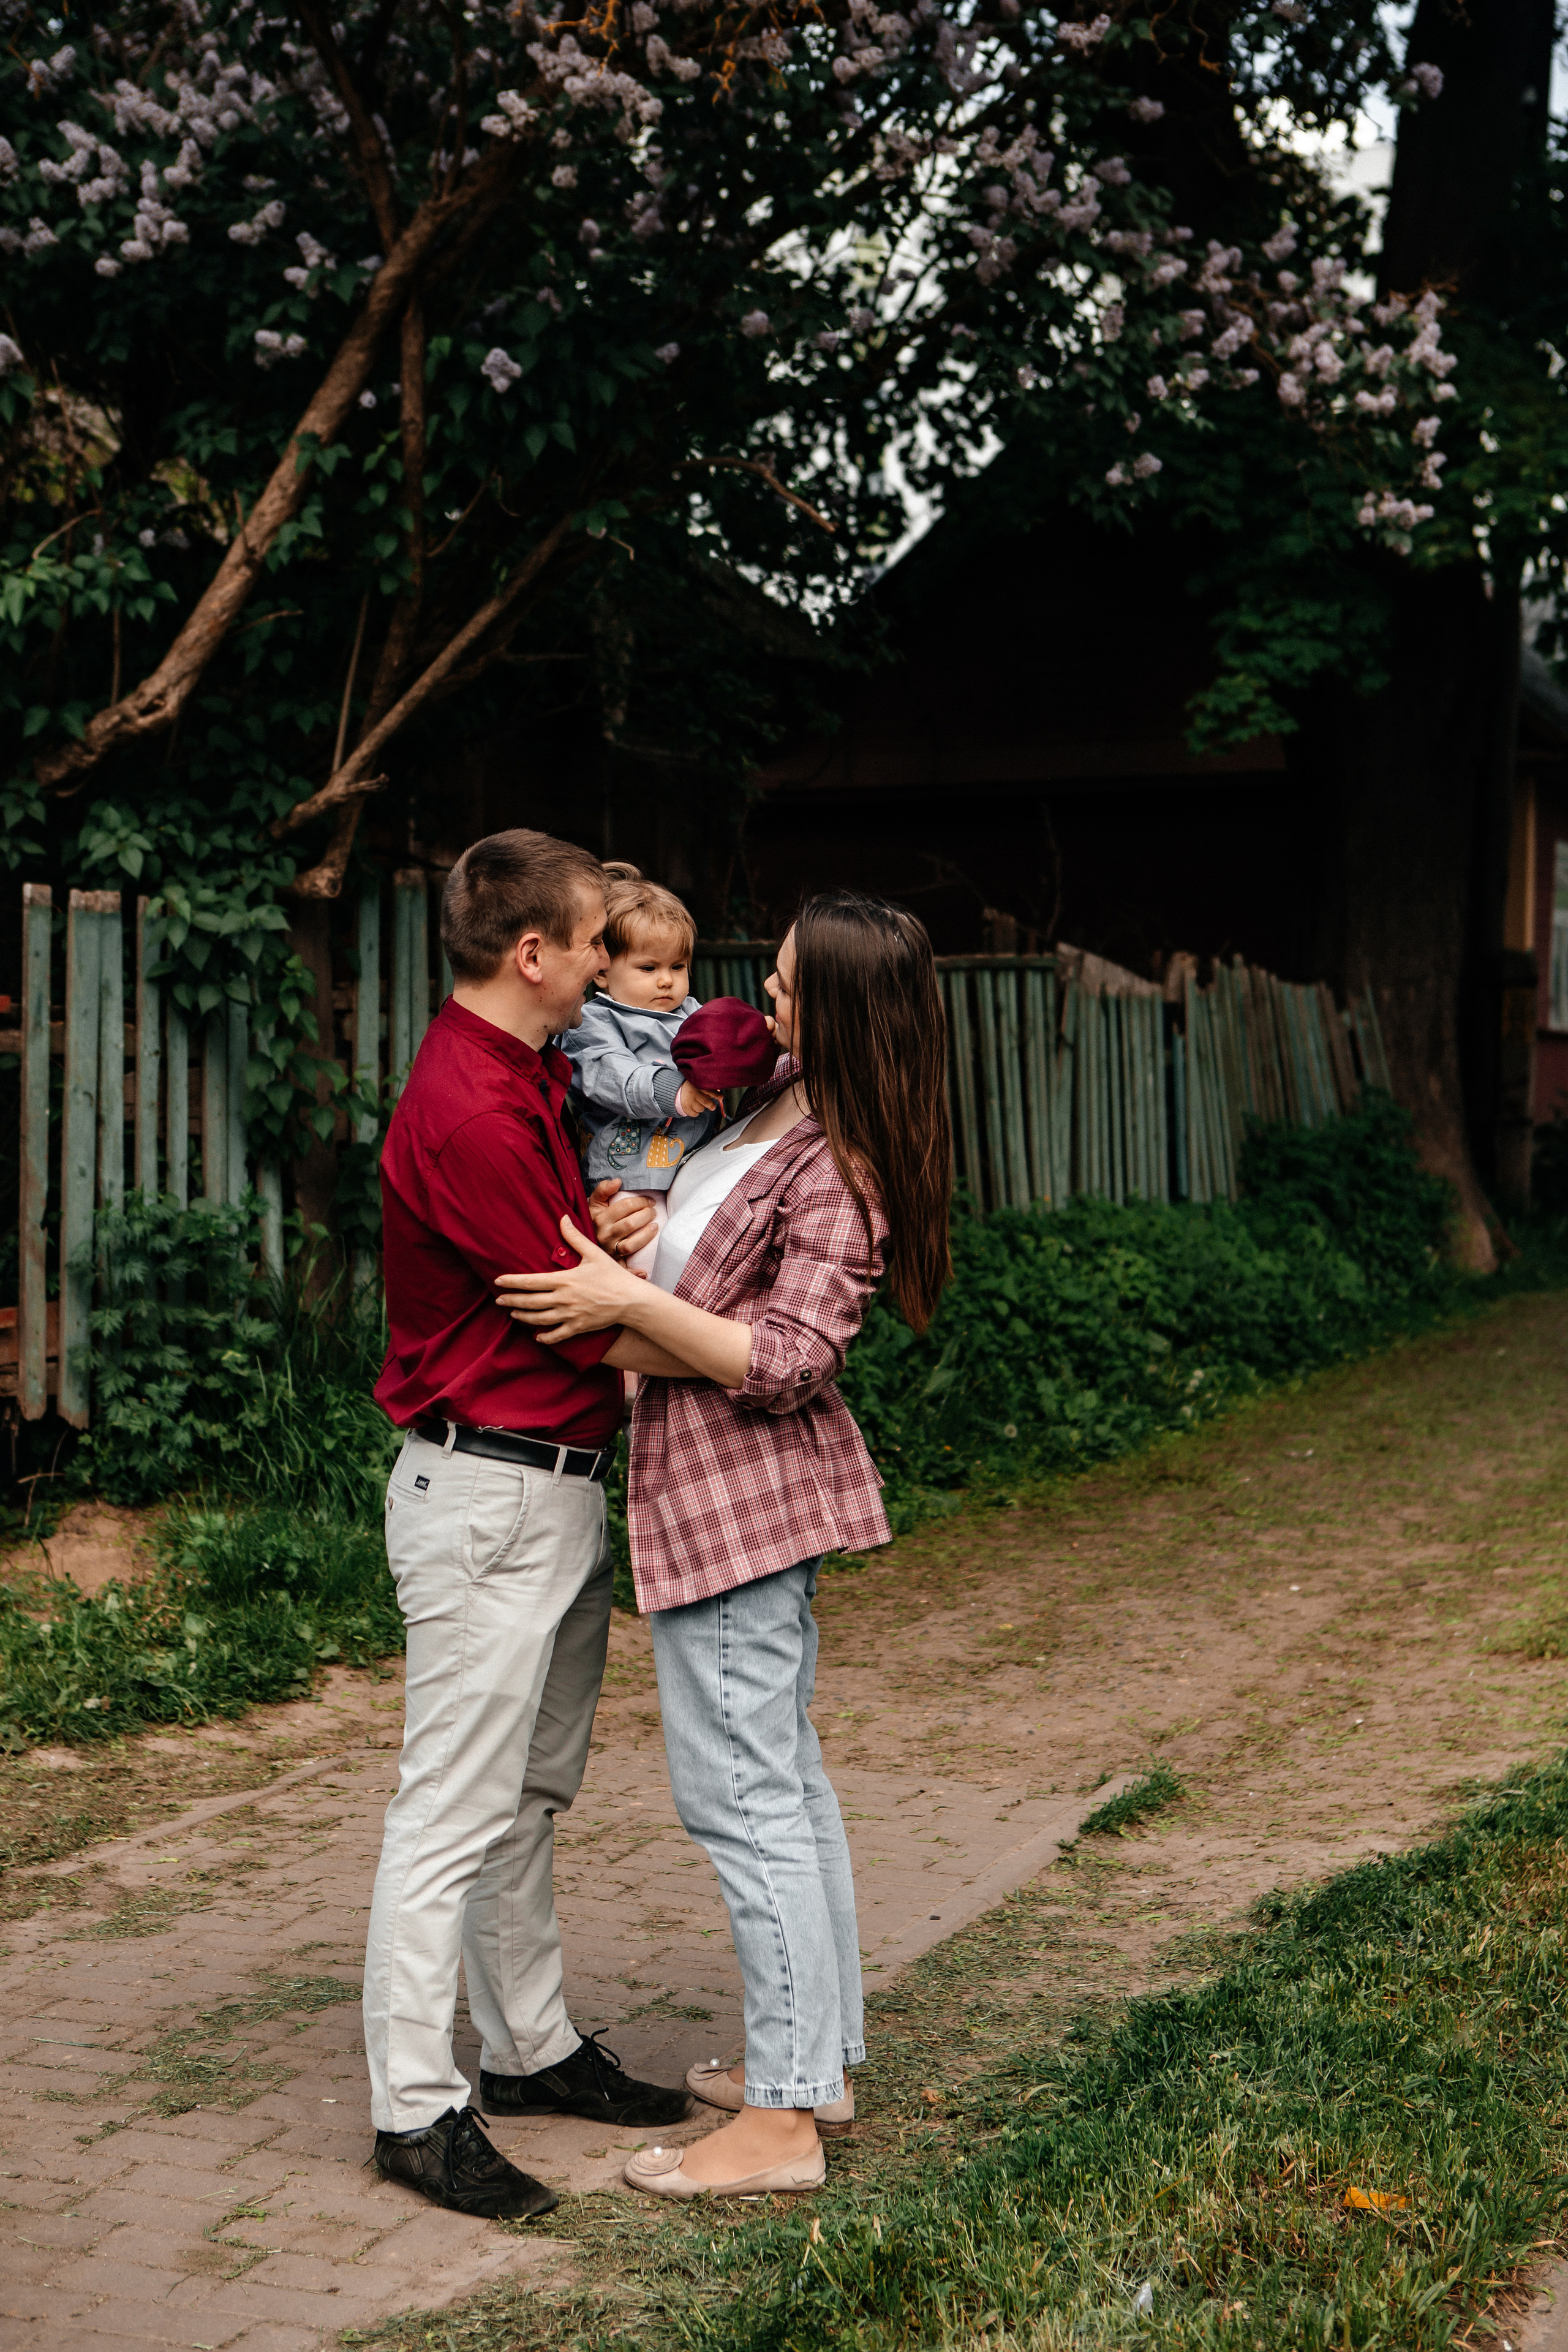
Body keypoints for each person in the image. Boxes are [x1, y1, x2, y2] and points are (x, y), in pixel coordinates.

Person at [496, 891, 953, 2201]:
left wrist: (622, 1304)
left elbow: (794, 1358)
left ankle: (784, 2127)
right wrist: (637, 1235)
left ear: (853, 1015)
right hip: (708, 1495)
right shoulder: (774, 1102)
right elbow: (690, 1253)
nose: (767, 1000)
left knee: (742, 1801)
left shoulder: (841, 1161)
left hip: (743, 1506)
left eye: (798, 988)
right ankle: (812, 2062)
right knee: (783, 1789)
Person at [364, 827, 706, 2223]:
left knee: (527, 1793)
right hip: (491, 1487)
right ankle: (410, 2103)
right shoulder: (472, 1104)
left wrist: (605, 1232)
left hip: (549, 1484)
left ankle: (529, 2048)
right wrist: (721, 1333)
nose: (603, 958)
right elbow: (565, 1307)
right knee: (449, 1806)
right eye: (587, 940)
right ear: (533, 953)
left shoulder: (519, 1078)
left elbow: (565, 1254)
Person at [558, 867, 722, 1276]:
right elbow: (613, 1077)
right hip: (629, 1175)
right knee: (651, 1258)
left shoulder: (692, 1012)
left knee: (705, 1252)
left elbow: (726, 1046)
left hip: (694, 1162)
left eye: (678, 966)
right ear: (602, 972)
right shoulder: (594, 1023)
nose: (667, 981)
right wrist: (676, 1092)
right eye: (649, 968)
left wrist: (754, 1043)